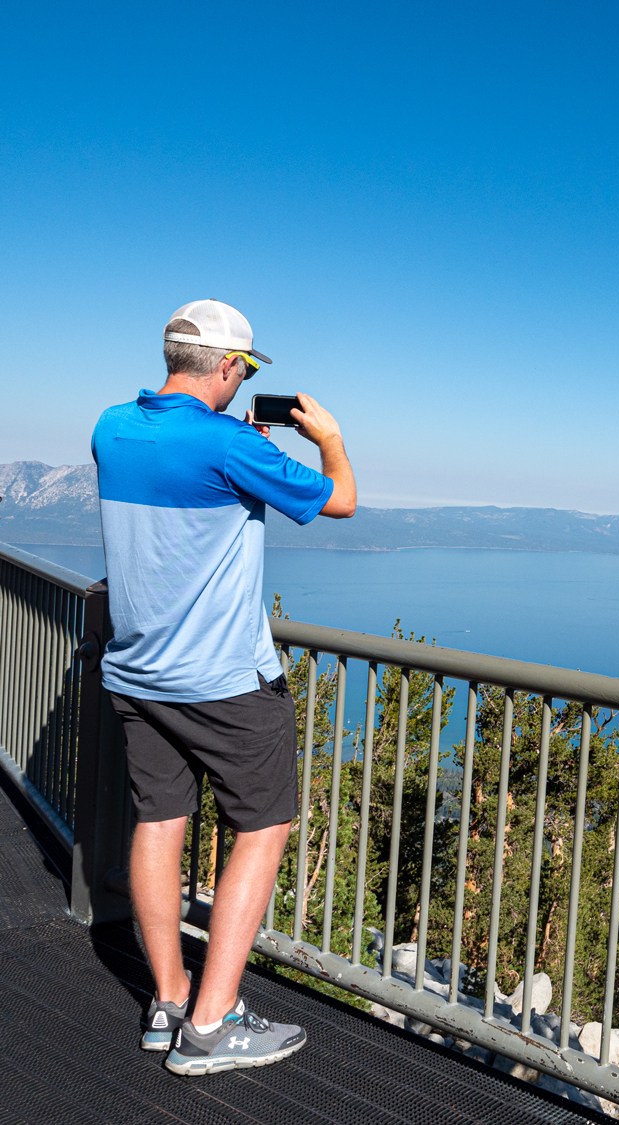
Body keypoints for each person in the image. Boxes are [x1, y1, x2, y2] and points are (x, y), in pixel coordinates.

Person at [92, 299, 356, 1075]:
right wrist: (330, 439)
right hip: (225, 683)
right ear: (232, 368)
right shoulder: (230, 441)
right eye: (246, 369)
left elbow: (185, 491)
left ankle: (169, 998)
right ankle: (211, 1026)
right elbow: (338, 500)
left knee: (160, 821)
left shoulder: (112, 425)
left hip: (137, 670)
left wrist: (241, 448)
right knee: (265, 827)